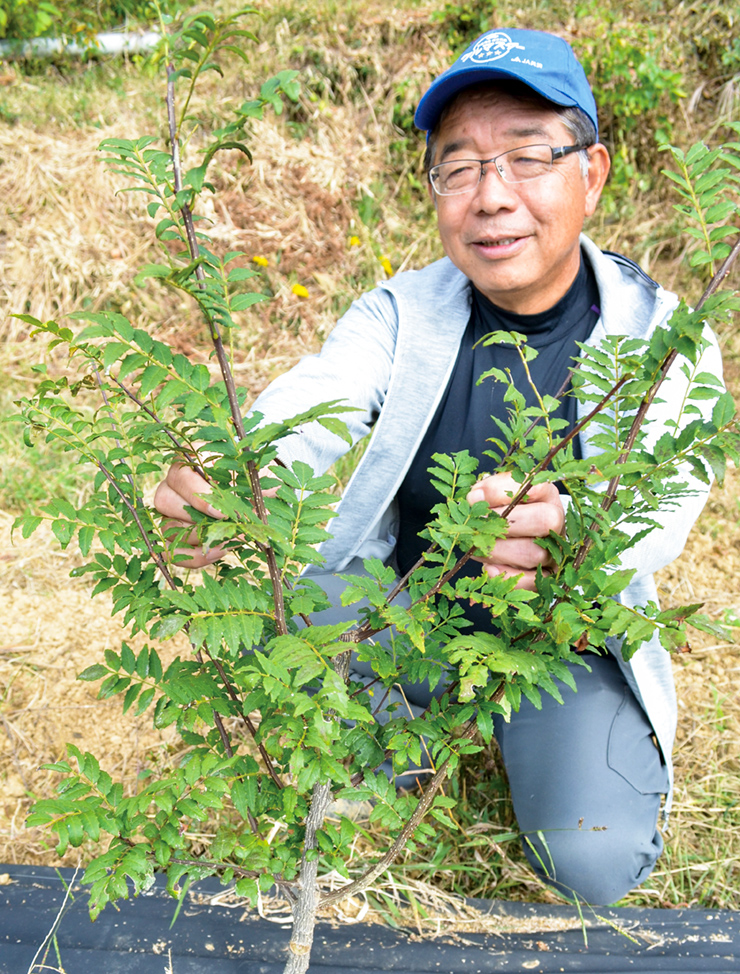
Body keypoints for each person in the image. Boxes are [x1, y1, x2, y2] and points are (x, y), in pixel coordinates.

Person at [153, 29, 722, 904]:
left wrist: (580, 536)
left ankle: (530, 729)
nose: (492, 198)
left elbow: (669, 509)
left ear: (593, 172)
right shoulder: (401, 313)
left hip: (564, 637)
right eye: (459, 168)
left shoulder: (664, 337)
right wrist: (237, 472)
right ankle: (405, 748)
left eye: (529, 157)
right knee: (298, 605)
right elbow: (314, 402)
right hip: (405, 608)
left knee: (592, 861)